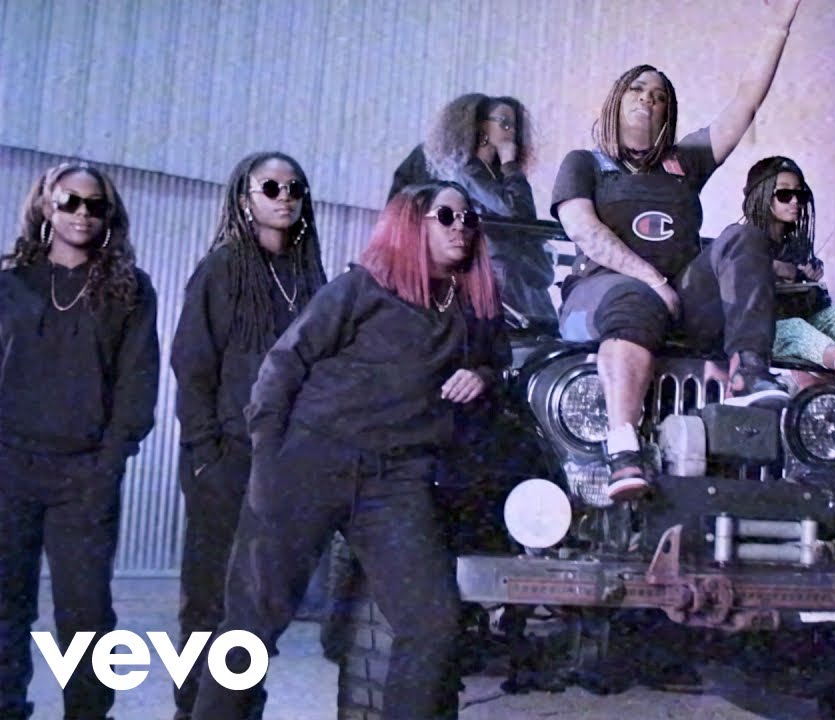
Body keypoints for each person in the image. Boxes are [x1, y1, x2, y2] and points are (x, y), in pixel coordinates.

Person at [191, 181, 509, 720]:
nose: (461, 226)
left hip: (397, 480)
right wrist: (268, 464)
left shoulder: (472, 308)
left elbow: (497, 366)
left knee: (432, 621)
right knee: (252, 624)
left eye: (468, 218)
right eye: (446, 216)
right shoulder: (361, 288)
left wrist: (481, 375)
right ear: (411, 223)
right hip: (312, 460)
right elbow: (282, 366)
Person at [553, 0, 802, 502]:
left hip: (680, 303)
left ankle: (749, 372)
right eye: (637, 89)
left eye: (659, 95)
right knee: (633, 297)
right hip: (601, 298)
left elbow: (744, 105)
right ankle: (623, 448)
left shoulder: (684, 162)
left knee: (743, 236)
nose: (648, 99)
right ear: (616, 101)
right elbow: (583, 229)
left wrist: (778, 27)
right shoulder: (586, 163)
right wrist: (652, 281)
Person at [169, 151, 327, 720]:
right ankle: (190, 710)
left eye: (295, 188)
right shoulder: (221, 269)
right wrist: (204, 453)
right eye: (271, 187)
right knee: (209, 599)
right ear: (244, 198)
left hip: (286, 461)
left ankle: (241, 711)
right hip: (226, 456)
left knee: (257, 606)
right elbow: (192, 365)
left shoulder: (311, 276)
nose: (285, 197)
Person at [0, 162, 160, 720]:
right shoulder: (9, 284)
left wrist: (107, 465)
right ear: (46, 205)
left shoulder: (130, 291)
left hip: (84, 476)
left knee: (85, 615)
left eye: (95, 205)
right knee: (5, 606)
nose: (82, 214)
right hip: (8, 469)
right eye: (70, 200)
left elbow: (137, 385)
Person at [388, 93, 556, 328]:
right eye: (504, 123)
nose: (512, 132)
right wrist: (510, 163)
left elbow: (524, 217)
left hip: (517, 274)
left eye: (515, 126)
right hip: (495, 276)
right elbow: (514, 211)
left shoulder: (494, 173)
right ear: (481, 127)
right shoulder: (467, 170)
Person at [740, 156, 835, 401]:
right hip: (760, 335)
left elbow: (813, 307)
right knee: (793, 327)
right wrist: (781, 270)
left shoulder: (796, 247)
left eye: (799, 195)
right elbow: (739, 275)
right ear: (761, 195)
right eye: (784, 194)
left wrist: (809, 283)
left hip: (799, 329)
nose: (795, 201)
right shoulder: (740, 239)